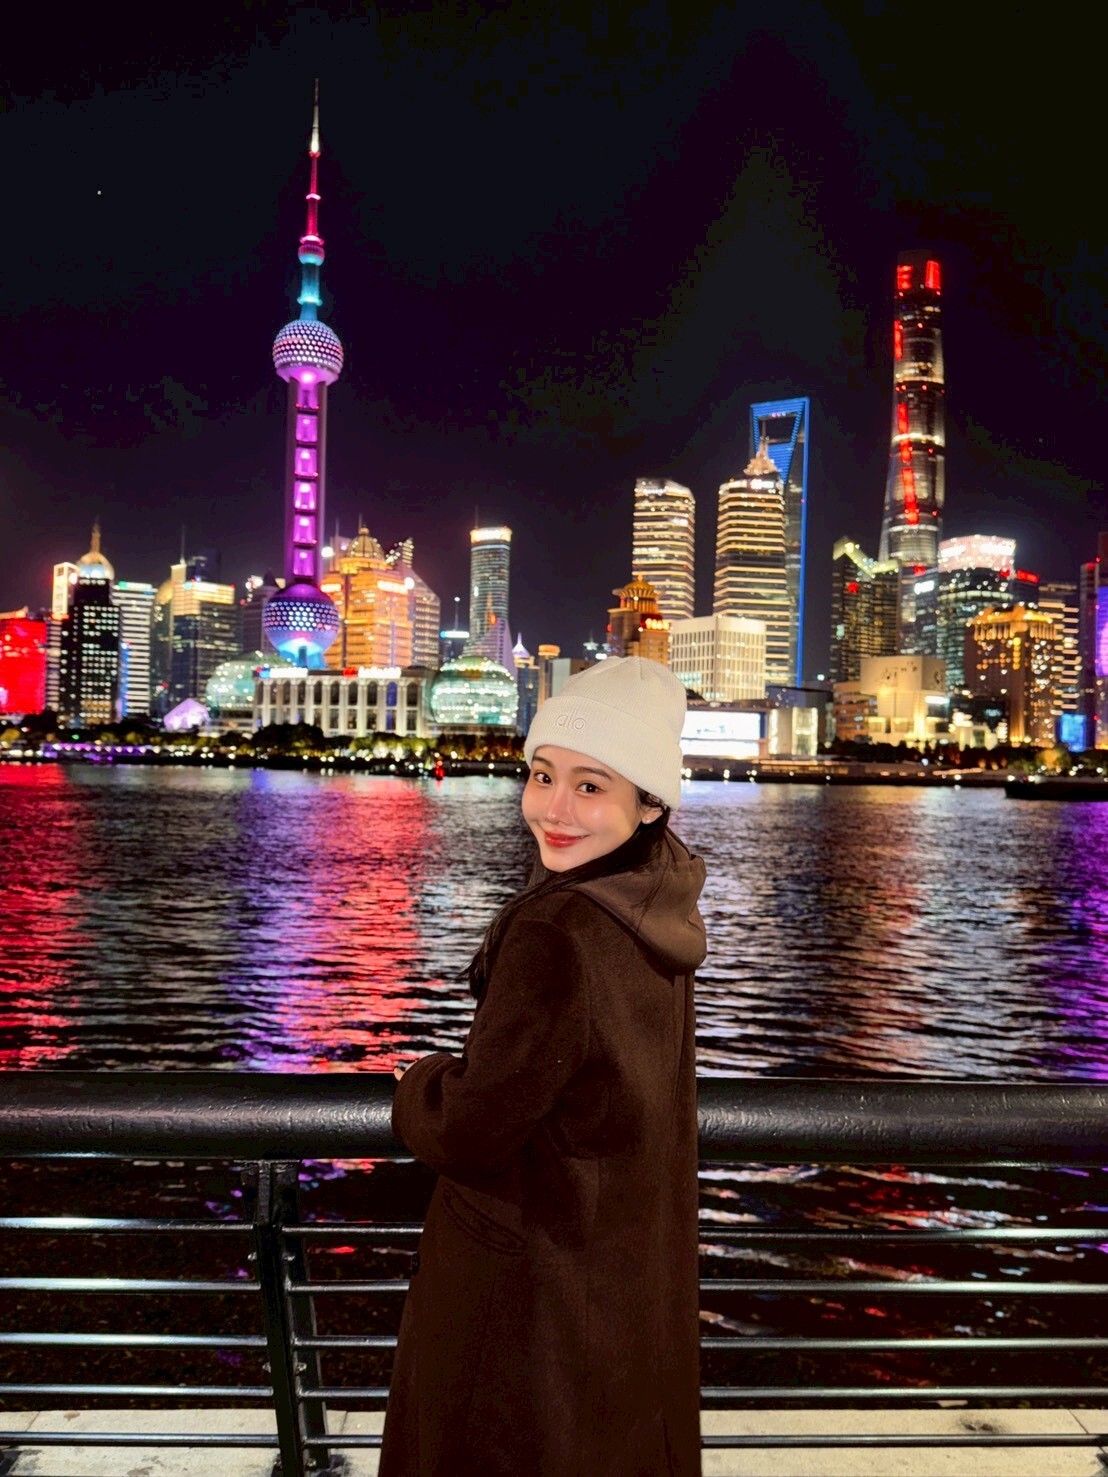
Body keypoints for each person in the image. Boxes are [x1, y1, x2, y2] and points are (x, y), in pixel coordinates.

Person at [380, 656, 707, 1476]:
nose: (553, 809)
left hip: (522, 1299)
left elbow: (471, 1129)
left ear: (650, 801)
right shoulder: (653, 901)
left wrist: (420, 1083)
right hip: (615, 1278)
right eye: (542, 775)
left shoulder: (558, 931)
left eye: (591, 785)